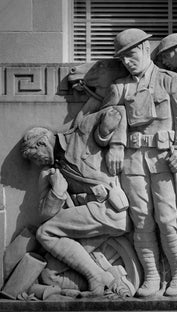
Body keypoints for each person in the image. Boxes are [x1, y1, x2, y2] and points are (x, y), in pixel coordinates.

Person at [103, 28, 177, 297]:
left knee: (168, 219)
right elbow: (105, 121)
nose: (127, 62)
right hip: (132, 161)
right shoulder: (120, 87)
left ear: (145, 49)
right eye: (122, 59)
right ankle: (152, 275)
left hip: (164, 160)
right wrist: (117, 143)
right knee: (142, 220)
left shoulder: (171, 81)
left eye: (131, 55)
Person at [22, 107, 131, 297]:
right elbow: (46, 213)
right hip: (91, 221)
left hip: (108, 209)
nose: (37, 163)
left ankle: (97, 277)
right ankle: (109, 282)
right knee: (49, 274)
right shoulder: (52, 170)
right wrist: (57, 190)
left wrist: (116, 146)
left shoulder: (81, 131)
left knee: (45, 233)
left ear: (42, 143)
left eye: (35, 157)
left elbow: (117, 111)